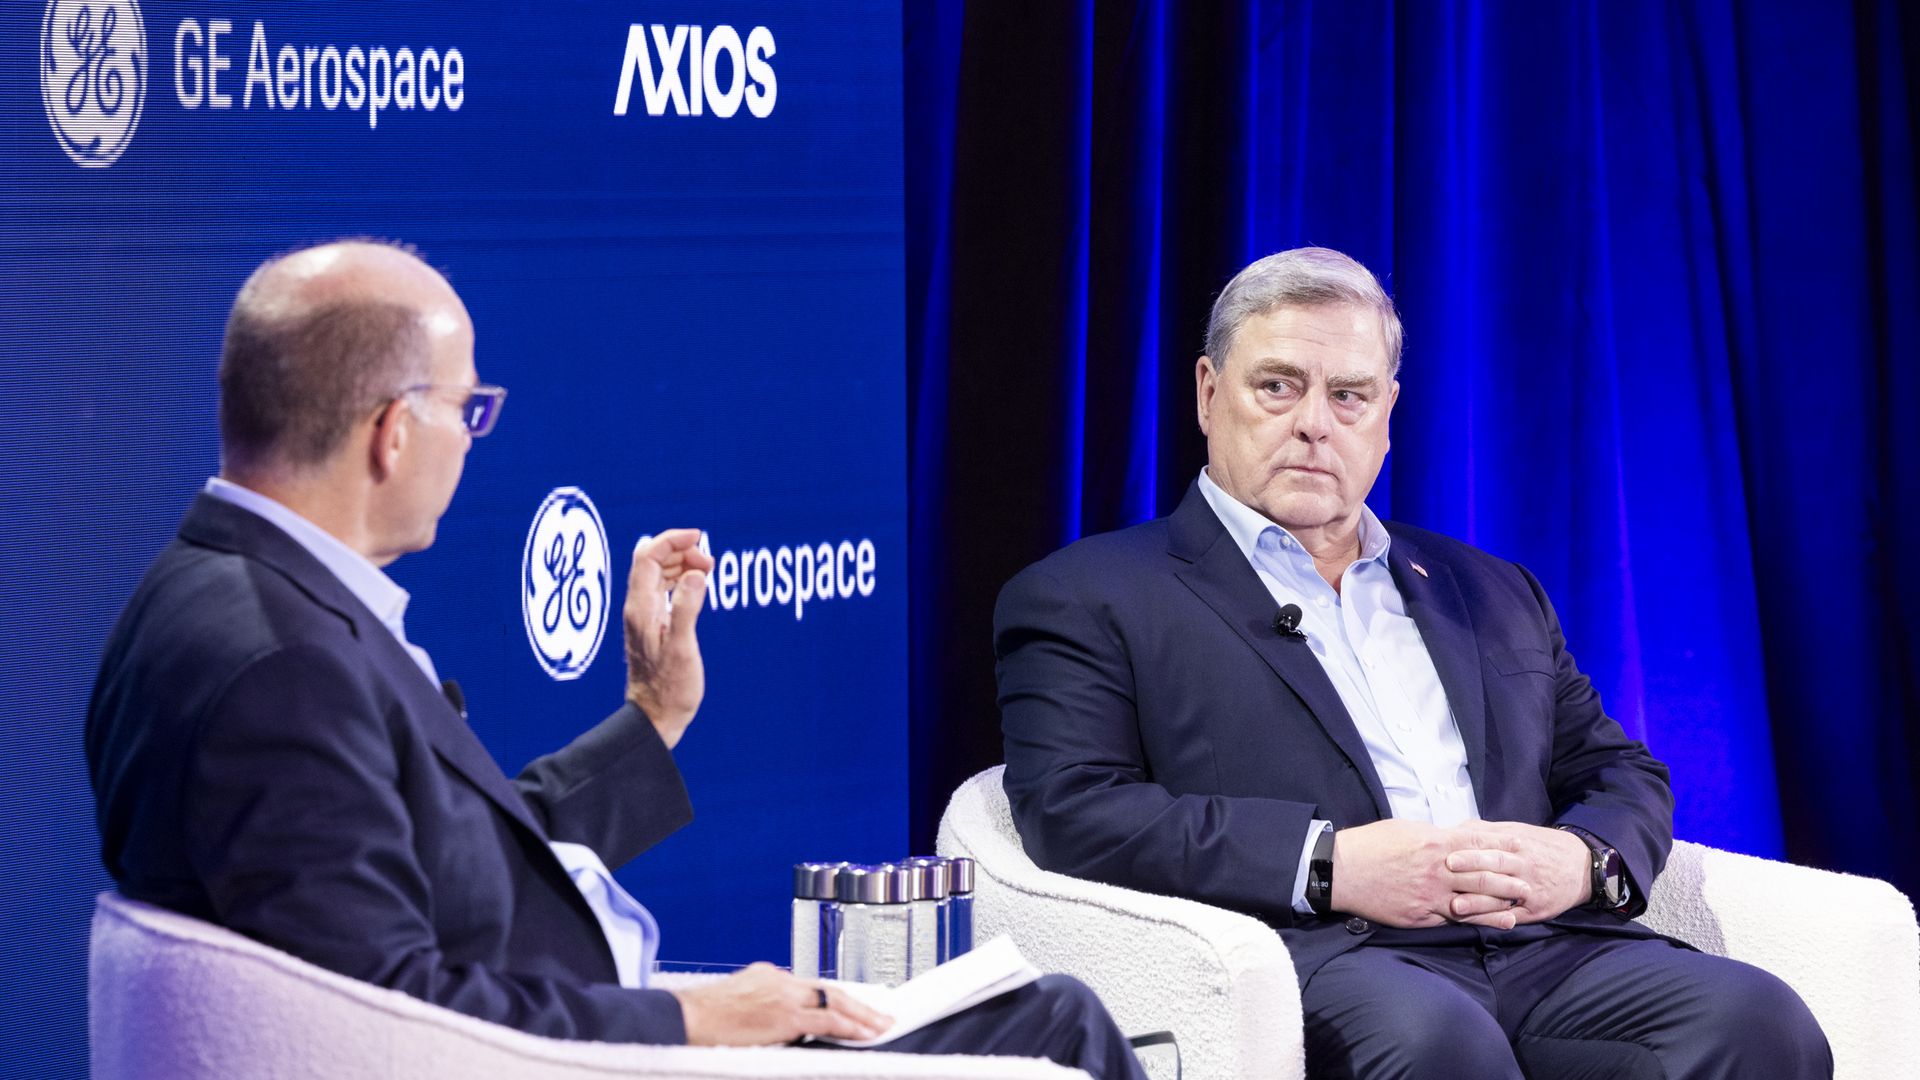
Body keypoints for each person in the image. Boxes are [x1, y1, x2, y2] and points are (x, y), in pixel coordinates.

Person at [87, 238, 1144, 1078]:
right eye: (469, 410)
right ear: (393, 432)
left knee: (1034, 1012)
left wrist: (652, 716)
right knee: (1054, 1026)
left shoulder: (224, 593)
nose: (473, 438)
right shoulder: (283, 668)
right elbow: (397, 1011)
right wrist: (695, 1018)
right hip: (580, 1057)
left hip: (573, 1032)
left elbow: (456, 861)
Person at [995, 247, 1832, 1078]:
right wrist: (1328, 865)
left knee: (1762, 1023)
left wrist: (1581, 860)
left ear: (1386, 413)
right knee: (1439, 1044)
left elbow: (1618, 769)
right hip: (1326, 954)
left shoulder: (1489, 588)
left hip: (1544, 949)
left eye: (1348, 396)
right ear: (1210, 394)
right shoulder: (1088, 595)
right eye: (1278, 386)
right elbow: (1076, 809)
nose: (1314, 424)